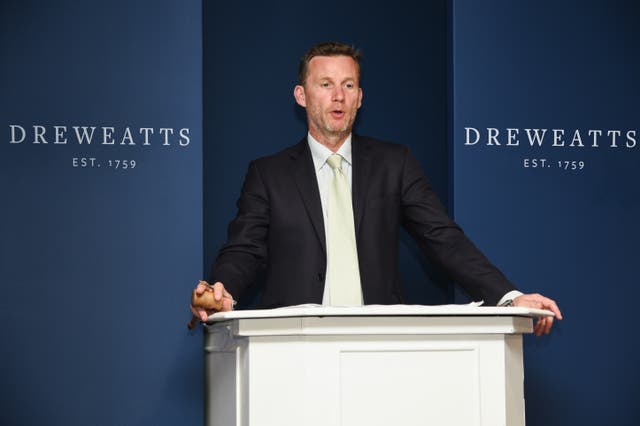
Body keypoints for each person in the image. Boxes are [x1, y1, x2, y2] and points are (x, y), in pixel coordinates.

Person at [190, 42, 562, 336]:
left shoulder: (394, 163)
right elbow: (245, 249)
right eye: (326, 85)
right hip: (294, 343)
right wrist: (223, 289)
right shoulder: (267, 173)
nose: (338, 96)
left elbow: (443, 238)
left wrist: (509, 297)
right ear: (302, 95)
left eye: (348, 85)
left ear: (360, 98)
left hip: (380, 342)